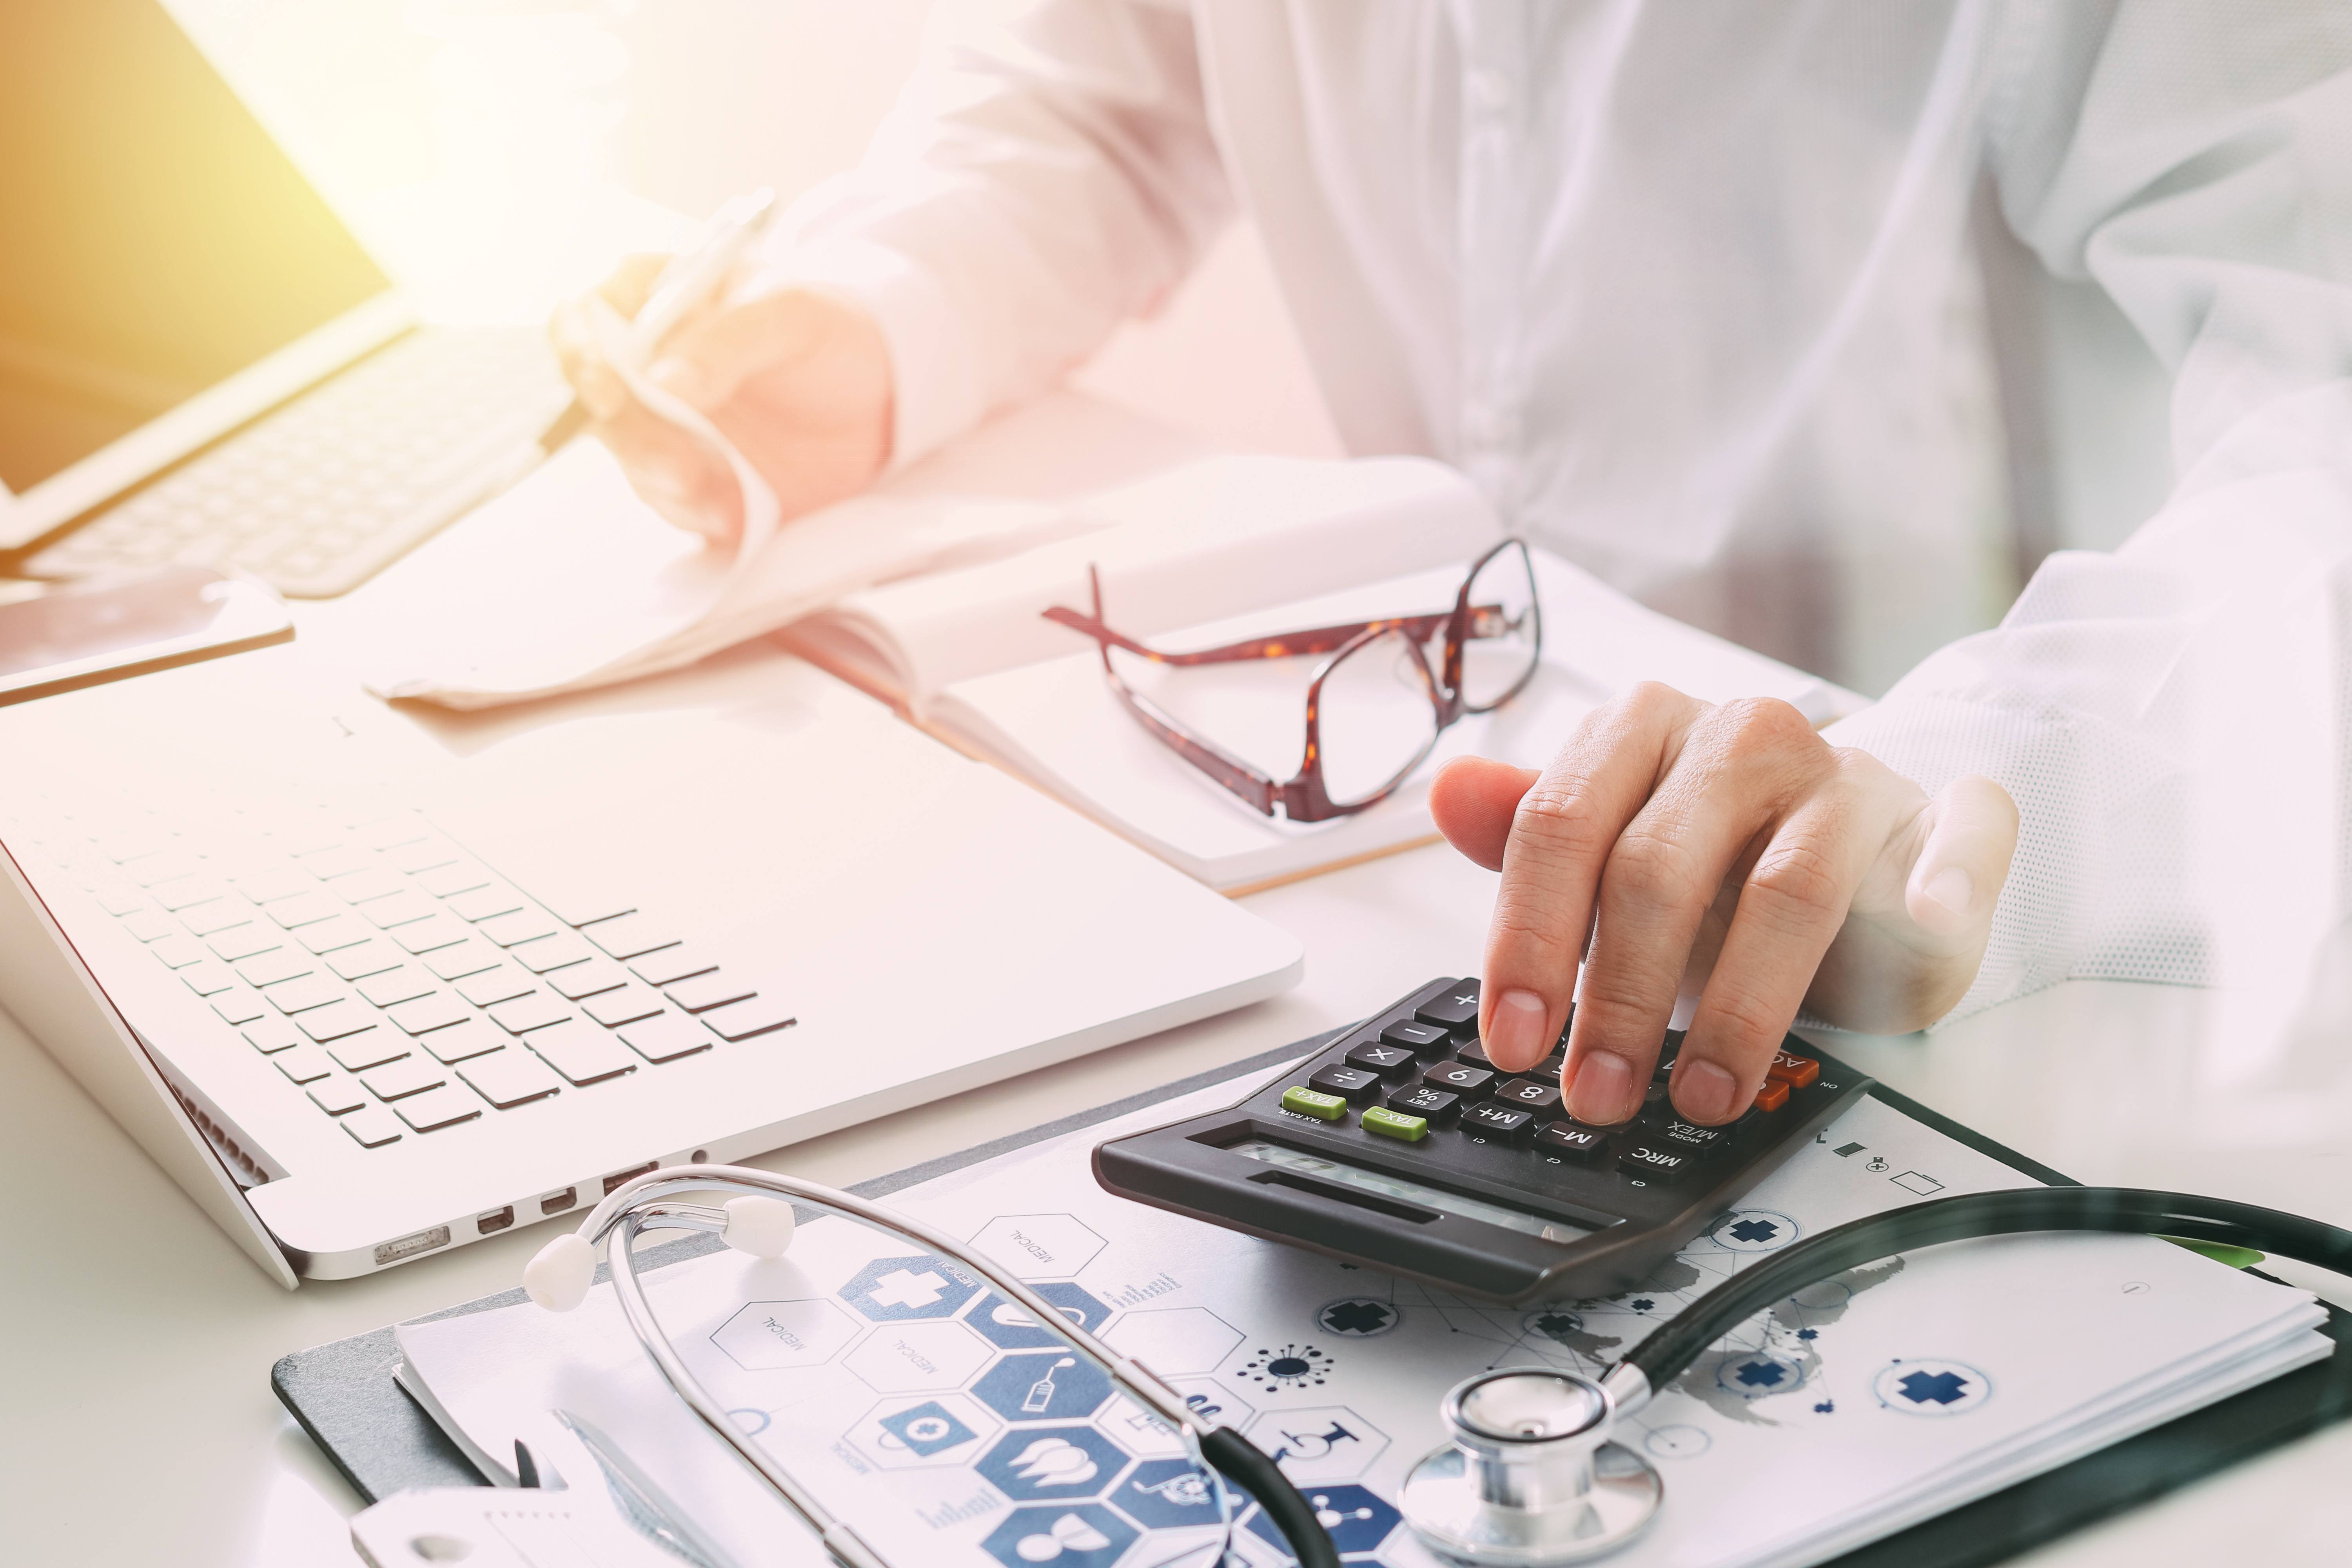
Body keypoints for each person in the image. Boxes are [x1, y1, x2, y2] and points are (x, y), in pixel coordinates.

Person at [553, 3, 2352, 1129]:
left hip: (2014, 986)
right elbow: (1091, 93)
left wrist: (1976, 785)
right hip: (1425, 855)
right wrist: (870, 322)